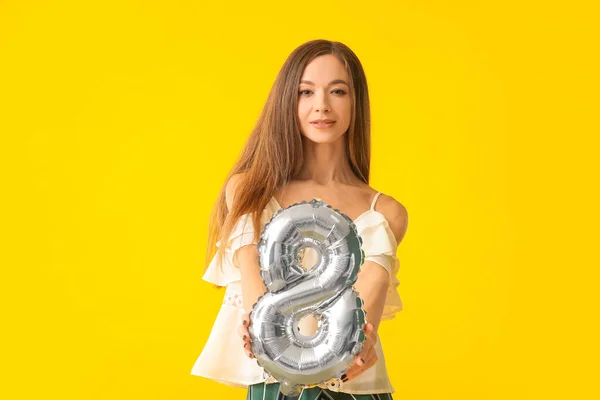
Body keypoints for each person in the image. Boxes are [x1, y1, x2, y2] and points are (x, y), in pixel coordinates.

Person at [190, 39, 408, 400]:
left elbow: (364, 319)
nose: (321, 105)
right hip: (274, 383)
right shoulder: (249, 191)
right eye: (305, 92)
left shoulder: (385, 213)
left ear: (356, 102)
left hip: (353, 391)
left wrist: (361, 345)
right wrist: (263, 334)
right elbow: (256, 297)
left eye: (337, 91)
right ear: (287, 103)